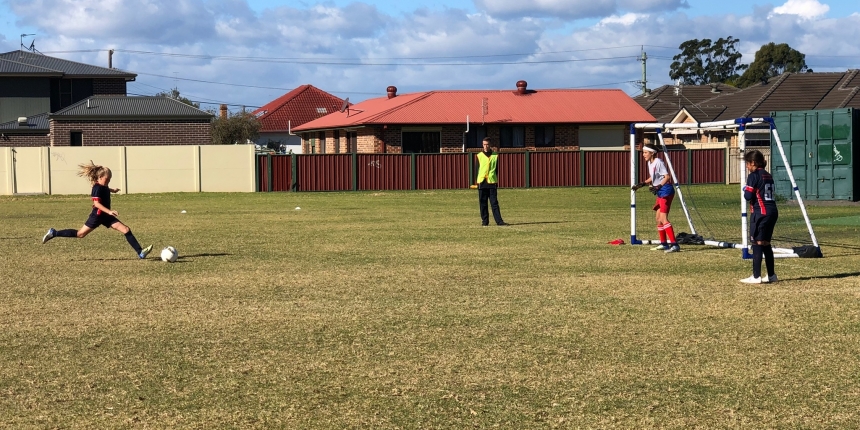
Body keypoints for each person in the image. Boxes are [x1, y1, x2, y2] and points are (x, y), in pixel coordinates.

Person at [42, 161, 153, 259]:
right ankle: (54, 233)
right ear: (100, 177)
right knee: (80, 234)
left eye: (110, 179)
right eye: (107, 179)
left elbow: (105, 189)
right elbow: (97, 204)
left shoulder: (103, 186)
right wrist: (109, 211)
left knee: (126, 229)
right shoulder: (96, 188)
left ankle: (140, 252)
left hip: (106, 217)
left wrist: (112, 190)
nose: (108, 181)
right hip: (98, 215)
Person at [632, 143, 679, 252]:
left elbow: (667, 177)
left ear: (652, 153)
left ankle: (675, 245)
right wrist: (642, 183)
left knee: (663, 219)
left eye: (645, 152)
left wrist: (658, 186)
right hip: (660, 191)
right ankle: (664, 244)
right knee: (658, 219)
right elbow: (653, 177)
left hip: (666, 191)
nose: (643, 155)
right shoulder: (650, 163)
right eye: (643, 152)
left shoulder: (658, 162)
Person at [740, 150, 778, 284]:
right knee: (766, 243)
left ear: (754, 163)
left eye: (748, 164)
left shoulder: (754, 176)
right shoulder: (768, 175)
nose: (747, 167)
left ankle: (756, 276)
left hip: (760, 212)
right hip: (773, 211)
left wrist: (745, 189)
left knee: (757, 242)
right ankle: (771, 275)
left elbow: (748, 196)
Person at [475, 137, 507, 226]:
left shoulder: (495, 156)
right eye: (484, 144)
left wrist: (495, 180)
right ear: (482, 145)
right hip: (482, 182)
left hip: (492, 182)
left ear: (490, 145)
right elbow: (477, 170)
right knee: (483, 203)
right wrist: (477, 182)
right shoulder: (479, 156)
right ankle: (485, 221)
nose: (486, 146)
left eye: (487, 144)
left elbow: (496, 170)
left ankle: (499, 221)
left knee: (494, 203)